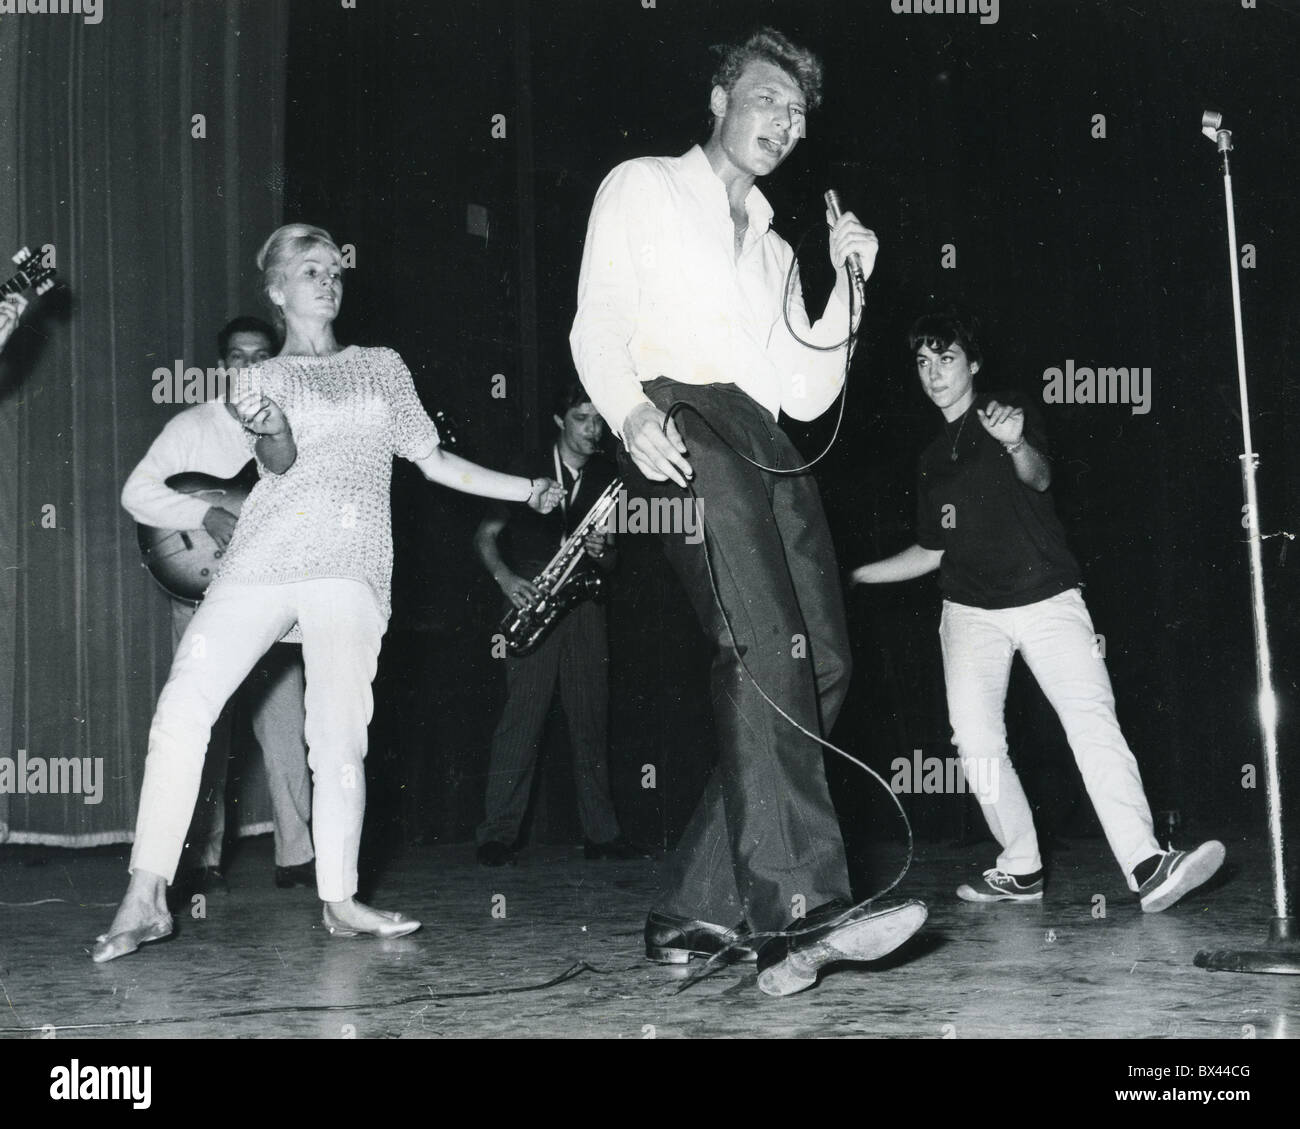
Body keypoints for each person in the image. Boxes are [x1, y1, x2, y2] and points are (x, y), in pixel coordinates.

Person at [94, 223, 563, 962]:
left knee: (338, 733)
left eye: (334, 267)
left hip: (349, 562)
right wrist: (274, 428)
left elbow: (432, 459)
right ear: (278, 291)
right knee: (184, 704)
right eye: (309, 269)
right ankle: (144, 895)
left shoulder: (381, 366)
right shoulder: (259, 378)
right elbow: (277, 462)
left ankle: (340, 898)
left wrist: (527, 488)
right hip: (261, 559)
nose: (328, 277)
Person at [570, 27, 927, 997]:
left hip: (769, 438)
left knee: (825, 659)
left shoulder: (773, 245)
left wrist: (848, 289)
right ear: (721, 98)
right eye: (769, 99)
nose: (786, 121)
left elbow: (805, 393)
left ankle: (692, 908)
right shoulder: (641, 185)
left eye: (799, 115)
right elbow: (597, 311)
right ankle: (799, 907)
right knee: (763, 644)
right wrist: (628, 406)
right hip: (679, 414)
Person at [851, 307, 1225, 911]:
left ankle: (1148, 864)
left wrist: (1017, 442)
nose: (934, 372)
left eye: (946, 358)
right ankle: (1020, 866)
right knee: (974, 742)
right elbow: (933, 548)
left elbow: (1042, 478)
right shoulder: (929, 460)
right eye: (923, 362)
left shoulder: (1007, 414)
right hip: (970, 612)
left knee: (1092, 721)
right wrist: (859, 574)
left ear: (972, 364)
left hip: (1048, 598)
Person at [121, 316, 314, 894]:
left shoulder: (292, 429)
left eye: (261, 356)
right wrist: (204, 513)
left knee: (287, 728)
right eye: (238, 356)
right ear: (223, 365)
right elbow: (138, 493)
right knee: (203, 726)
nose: (249, 366)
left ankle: (298, 857)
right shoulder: (191, 426)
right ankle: (198, 859)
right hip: (203, 595)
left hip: (274, 598)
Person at [474, 381, 642, 865]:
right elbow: (485, 538)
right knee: (520, 723)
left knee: (591, 720)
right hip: (532, 601)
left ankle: (602, 835)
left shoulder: (611, 479)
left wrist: (604, 550)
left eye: (598, 422)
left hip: (585, 608)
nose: (593, 431)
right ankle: (498, 835)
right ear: (558, 422)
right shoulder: (526, 471)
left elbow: (612, 564)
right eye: (581, 420)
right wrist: (505, 578)